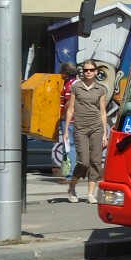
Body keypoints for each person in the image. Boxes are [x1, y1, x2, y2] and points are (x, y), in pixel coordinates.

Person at [63, 59, 109, 204]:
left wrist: (104, 133)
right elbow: (70, 110)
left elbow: (103, 112)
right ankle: (72, 186)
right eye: (85, 70)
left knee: (96, 161)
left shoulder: (101, 89)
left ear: (96, 72)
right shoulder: (76, 87)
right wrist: (66, 130)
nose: (88, 72)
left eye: (91, 70)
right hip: (80, 127)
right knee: (83, 162)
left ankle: (90, 194)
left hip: (96, 127)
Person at [58, 62, 79, 198]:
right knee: (71, 147)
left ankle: (70, 175)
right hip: (74, 120)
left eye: (62, 72)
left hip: (69, 121)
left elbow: (67, 104)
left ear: (65, 73)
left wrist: (63, 116)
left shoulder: (69, 85)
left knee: (68, 146)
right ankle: (70, 174)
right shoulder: (77, 83)